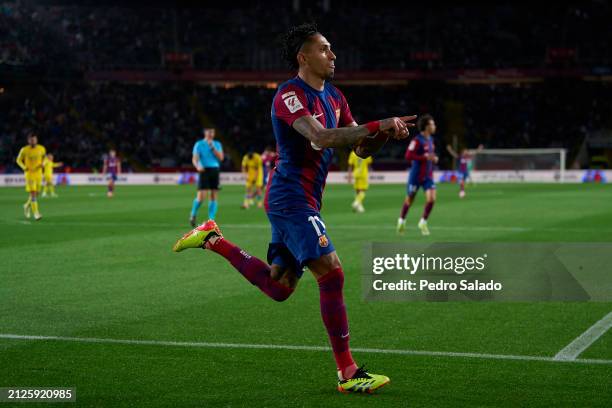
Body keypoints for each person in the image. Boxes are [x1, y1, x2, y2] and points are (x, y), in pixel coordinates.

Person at [173, 23, 416, 393]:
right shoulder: (289, 95)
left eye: (331, 49)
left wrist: (384, 132)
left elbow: (360, 148)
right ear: (304, 57)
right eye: (324, 49)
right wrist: (375, 124)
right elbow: (320, 138)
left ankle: (213, 239)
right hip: (290, 197)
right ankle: (348, 373)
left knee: (280, 286)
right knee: (332, 274)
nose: (332, 55)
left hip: (304, 198)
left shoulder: (335, 97)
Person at [397, 114, 438, 236]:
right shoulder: (417, 140)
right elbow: (408, 156)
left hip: (428, 176)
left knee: (432, 199)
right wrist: (424, 157)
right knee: (410, 200)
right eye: (432, 124)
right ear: (426, 126)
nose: (434, 126)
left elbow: (429, 156)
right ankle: (401, 221)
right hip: (416, 176)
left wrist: (433, 158)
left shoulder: (430, 140)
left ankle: (423, 222)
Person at [190, 128, 224, 226]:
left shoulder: (217, 144)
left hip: (214, 170)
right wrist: (197, 166)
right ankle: (193, 214)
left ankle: (211, 220)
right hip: (203, 170)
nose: (211, 134)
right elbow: (195, 158)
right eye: (209, 132)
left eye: (213, 132)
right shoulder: (199, 144)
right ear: (205, 132)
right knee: (201, 197)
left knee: (213, 195)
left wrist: (212, 147)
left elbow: (221, 158)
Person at [16, 133, 46, 220]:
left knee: (37, 193)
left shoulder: (41, 148)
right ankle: (36, 213)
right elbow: (18, 160)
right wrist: (24, 167)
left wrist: (43, 164)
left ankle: (26, 206)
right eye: (31, 140)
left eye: (35, 139)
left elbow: (44, 158)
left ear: (37, 140)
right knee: (33, 193)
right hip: (29, 174)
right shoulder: (24, 150)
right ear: (28, 140)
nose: (33, 141)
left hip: (39, 174)